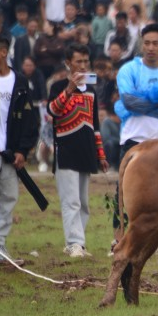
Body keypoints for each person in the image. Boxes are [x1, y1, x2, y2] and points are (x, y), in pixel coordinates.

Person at [113, 23, 158, 255]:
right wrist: (157, 104)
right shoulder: (128, 70)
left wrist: (142, 105)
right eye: (146, 43)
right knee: (123, 192)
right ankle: (119, 241)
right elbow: (128, 102)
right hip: (134, 138)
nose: (150, 48)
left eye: (155, 43)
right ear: (141, 43)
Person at [47, 43, 108, 258]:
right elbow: (53, 110)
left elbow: (95, 126)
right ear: (68, 63)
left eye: (85, 61)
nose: (82, 66)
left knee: (83, 202)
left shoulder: (91, 91)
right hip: (66, 150)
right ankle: (73, 242)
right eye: (78, 62)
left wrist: (100, 154)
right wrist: (69, 90)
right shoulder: (58, 87)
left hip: (86, 150)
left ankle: (78, 244)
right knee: (70, 200)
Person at [0, 34, 38, 267]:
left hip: (9, 155)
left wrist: (23, 151)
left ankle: (0, 248)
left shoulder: (21, 82)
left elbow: (29, 120)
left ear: (3, 52)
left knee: (9, 199)